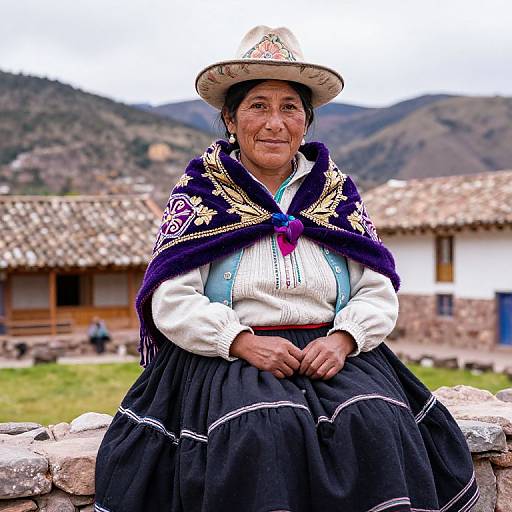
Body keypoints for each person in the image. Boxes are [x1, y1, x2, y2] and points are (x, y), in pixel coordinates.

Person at [94, 26, 478, 512]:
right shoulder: (200, 194)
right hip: (230, 356)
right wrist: (239, 341)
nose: (274, 122)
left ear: (306, 121)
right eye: (258, 106)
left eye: (289, 108)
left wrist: (344, 339)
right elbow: (171, 297)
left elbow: (377, 289)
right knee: (259, 426)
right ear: (230, 119)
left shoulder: (336, 194)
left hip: (334, 350)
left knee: (376, 421)